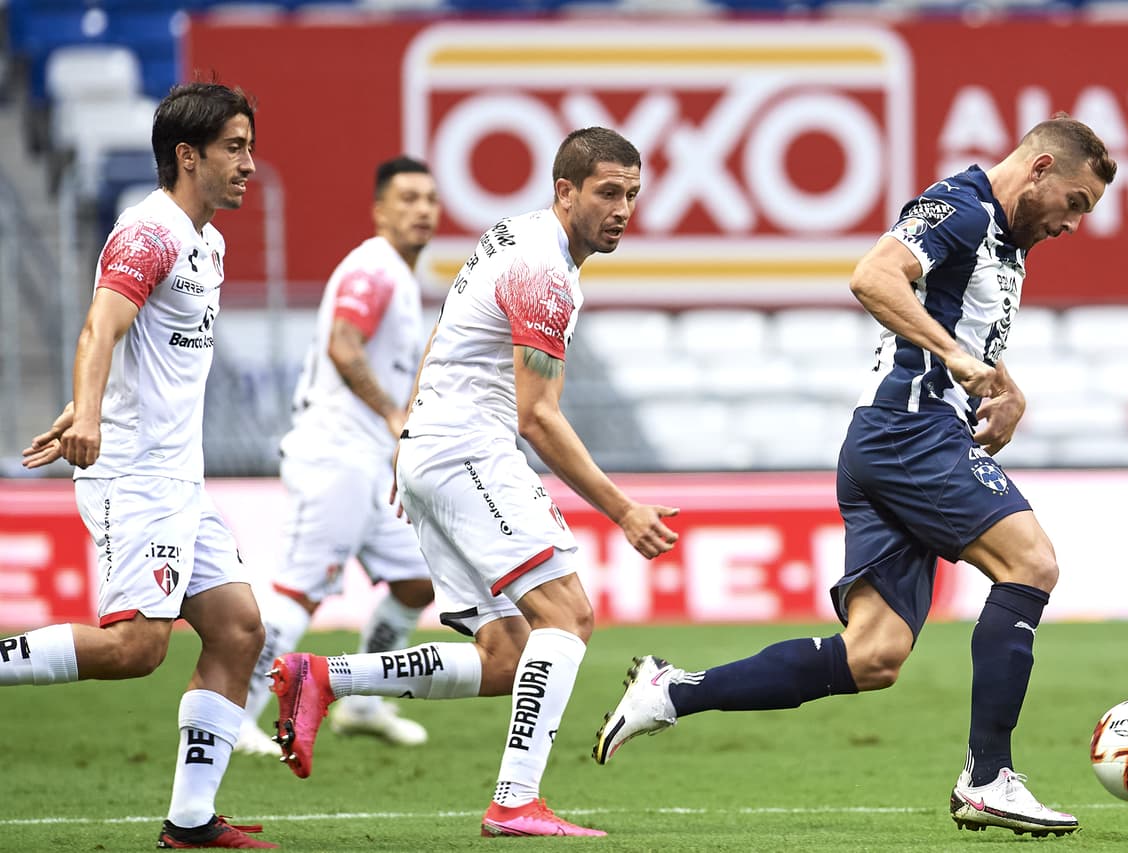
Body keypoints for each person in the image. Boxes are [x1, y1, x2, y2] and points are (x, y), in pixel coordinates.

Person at [592, 113, 1117, 839]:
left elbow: (954, 329)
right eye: (1076, 202)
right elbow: (872, 275)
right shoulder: (960, 208)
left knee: (873, 655)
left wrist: (1003, 383)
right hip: (910, 433)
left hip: (892, 441)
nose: (1073, 224)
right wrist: (961, 365)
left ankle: (674, 691)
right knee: (1031, 563)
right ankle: (989, 775)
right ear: (1038, 171)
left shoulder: (1000, 236)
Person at [267, 126, 679, 838]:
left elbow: (444, 338)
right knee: (569, 616)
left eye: (633, 195)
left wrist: (412, 440)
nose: (622, 209)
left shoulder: (514, 239)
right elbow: (538, 417)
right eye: (608, 192)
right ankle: (516, 799)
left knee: (505, 657)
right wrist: (621, 508)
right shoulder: (543, 271)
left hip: (437, 449)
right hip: (467, 451)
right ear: (565, 190)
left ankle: (326, 676)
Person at [12, 82, 278, 849]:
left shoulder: (209, 241)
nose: (250, 165)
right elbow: (102, 322)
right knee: (137, 647)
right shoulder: (149, 231)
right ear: (188, 155)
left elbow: (136, 348)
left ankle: (190, 821)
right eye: (235, 147)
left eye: (250, 147)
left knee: (237, 630)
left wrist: (97, 399)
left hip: (177, 477)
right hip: (134, 474)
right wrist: (90, 412)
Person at [234, 157, 441, 757]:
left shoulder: (398, 278)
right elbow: (344, 346)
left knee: (417, 581)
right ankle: (238, 712)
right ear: (379, 210)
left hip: (368, 462)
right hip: (336, 453)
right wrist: (394, 415)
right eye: (407, 198)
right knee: (300, 591)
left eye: (429, 199)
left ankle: (364, 703)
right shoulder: (374, 268)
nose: (422, 209)